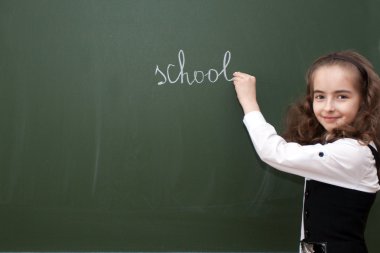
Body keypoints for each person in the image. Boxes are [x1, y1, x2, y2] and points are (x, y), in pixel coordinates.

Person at [232, 50, 380, 253]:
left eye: (342, 96)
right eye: (320, 96)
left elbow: (275, 153)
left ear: (364, 100)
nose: (328, 107)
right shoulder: (339, 143)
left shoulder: (353, 153)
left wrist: (249, 103)